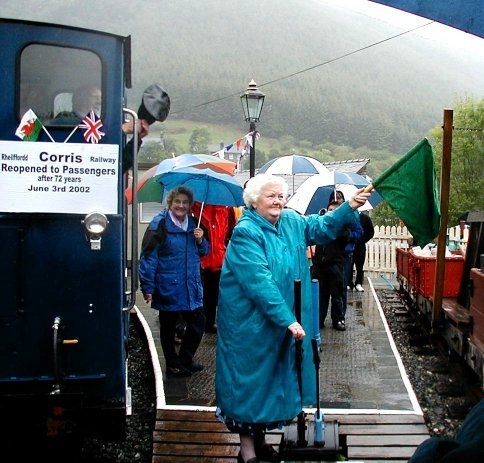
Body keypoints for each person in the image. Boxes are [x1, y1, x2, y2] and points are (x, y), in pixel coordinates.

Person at [215, 174, 370, 463]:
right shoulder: (246, 232)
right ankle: (246, 453)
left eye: (281, 196)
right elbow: (259, 282)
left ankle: (259, 443)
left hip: (281, 323)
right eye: (270, 196)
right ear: (254, 200)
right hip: (250, 325)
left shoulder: (291, 221)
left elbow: (324, 227)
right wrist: (287, 319)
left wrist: (349, 206)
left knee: (269, 382)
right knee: (249, 385)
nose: (277, 201)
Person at [139, 186, 210, 378]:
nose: (181, 205)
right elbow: (149, 256)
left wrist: (201, 240)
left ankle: (185, 359)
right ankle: (172, 363)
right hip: (168, 284)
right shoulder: (159, 224)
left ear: (190, 206)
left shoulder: (195, 224)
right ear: (170, 202)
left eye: (185, 202)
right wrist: (147, 286)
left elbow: (205, 251)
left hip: (190, 285)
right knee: (168, 325)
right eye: (177, 201)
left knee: (199, 321)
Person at [192, 203, 236, 333]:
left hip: (218, 259)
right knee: (198, 295)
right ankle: (192, 326)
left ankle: (209, 323)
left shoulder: (227, 209)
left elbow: (230, 229)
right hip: (200, 260)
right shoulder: (195, 207)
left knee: (213, 294)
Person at [311, 201, 348, 331]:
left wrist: (336, 224)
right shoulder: (321, 223)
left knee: (336, 294)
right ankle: (319, 319)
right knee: (320, 295)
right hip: (319, 265)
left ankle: (338, 319)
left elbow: (346, 238)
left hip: (335, 264)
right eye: (330, 209)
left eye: (335, 210)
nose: (331, 212)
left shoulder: (342, 226)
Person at [349, 210, 374, 292]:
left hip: (360, 246)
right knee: (349, 265)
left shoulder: (365, 218)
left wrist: (363, 239)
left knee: (359, 266)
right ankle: (349, 283)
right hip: (349, 245)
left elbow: (371, 232)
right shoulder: (348, 217)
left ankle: (358, 283)